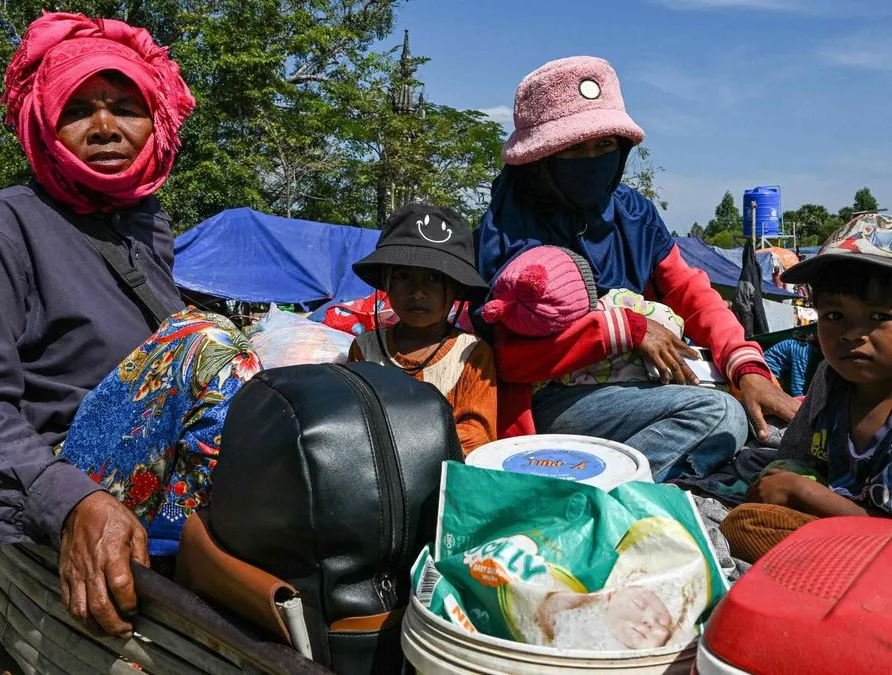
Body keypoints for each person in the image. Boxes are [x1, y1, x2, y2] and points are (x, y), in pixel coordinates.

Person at [0, 13, 251, 639]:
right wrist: (66, 502)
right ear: (44, 124)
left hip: (158, 483)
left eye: (125, 107)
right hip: (62, 479)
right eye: (78, 109)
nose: (104, 128)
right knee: (209, 340)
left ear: (158, 122)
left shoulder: (146, 229)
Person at [475, 56, 797, 480]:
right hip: (549, 398)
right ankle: (587, 495)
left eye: (604, 146)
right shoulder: (508, 228)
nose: (591, 159)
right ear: (540, 158)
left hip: (633, 392)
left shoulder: (632, 213)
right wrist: (622, 330)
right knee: (720, 416)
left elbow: (691, 293)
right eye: (573, 148)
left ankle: (615, 471)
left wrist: (747, 368)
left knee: (762, 412)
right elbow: (509, 359)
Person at [722, 214, 892, 562]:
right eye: (834, 316)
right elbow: (796, 455)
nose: (852, 334)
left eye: (880, 317)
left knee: (747, 526)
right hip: (859, 520)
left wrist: (802, 493)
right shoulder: (831, 377)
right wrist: (789, 478)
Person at [348, 204, 498, 453]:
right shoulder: (365, 349)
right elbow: (351, 418)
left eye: (435, 278)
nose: (418, 292)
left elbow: (477, 436)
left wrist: (407, 446)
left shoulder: (471, 354)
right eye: (404, 277)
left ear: (456, 287)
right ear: (386, 281)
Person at [762, 333, 819, 397]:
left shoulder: (805, 346)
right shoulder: (803, 353)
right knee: (777, 396)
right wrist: (800, 401)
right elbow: (797, 381)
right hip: (768, 365)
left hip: (774, 366)